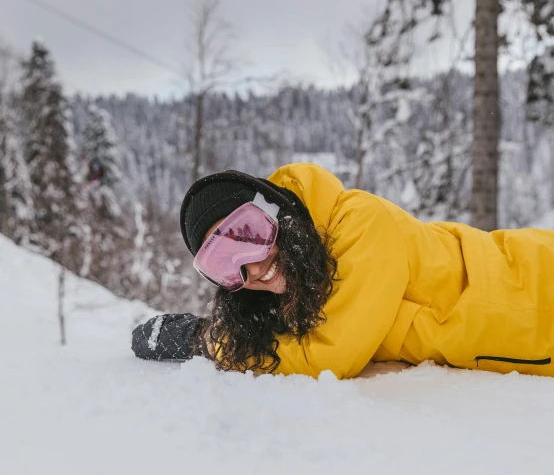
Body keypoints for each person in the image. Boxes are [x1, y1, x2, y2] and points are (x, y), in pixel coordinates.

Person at [132, 163, 554, 379]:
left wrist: (203, 341)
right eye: (224, 264)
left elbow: (330, 356)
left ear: (279, 212)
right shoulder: (299, 283)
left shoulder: (362, 223)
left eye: (250, 233)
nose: (254, 267)